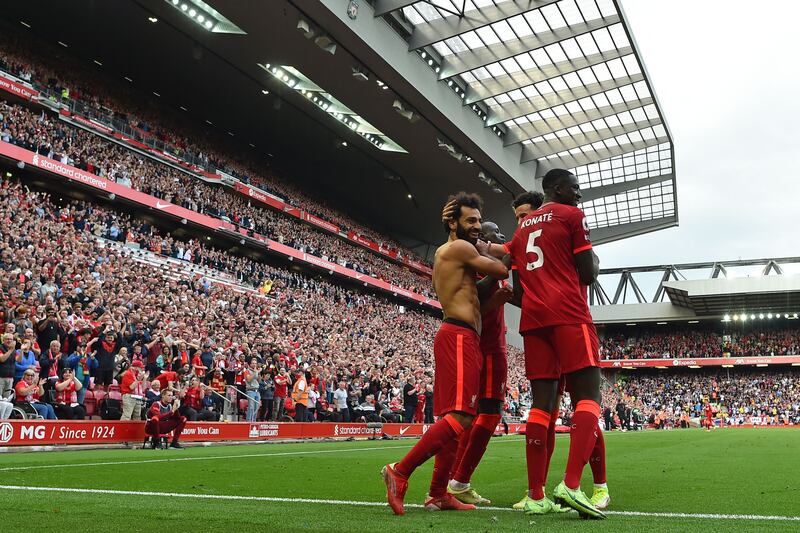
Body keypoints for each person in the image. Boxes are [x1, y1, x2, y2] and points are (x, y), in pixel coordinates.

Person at [382, 192, 508, 515]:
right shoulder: (462, 248)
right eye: (471, 220)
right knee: (462, 417)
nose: (477, 226)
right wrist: (501, 249)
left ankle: (438, 493)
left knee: (456, 418)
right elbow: (500, 270)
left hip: (461, 335)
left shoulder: (453, 254)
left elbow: (478, 297)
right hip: (458, 336)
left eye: (479, 220)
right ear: (452, 223)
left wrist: (499, 298)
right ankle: (400, 471)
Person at [497, 169, 606, 518]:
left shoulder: (521, 228)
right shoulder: (571, 215)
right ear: (557, 188)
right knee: (588, 398)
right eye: (575, 188)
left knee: (540, 408)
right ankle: (572, 485)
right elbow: (588, 273)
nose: (579, 194)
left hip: (534, 321)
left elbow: (516, 285)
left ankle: (535, 495)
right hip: (570, 315)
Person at [447, 219, 514, 505]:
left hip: (490, 346)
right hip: (487, 348)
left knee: (475, 417)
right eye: (494, 233)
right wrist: (497, 299)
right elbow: (474, 311)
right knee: (487, 414)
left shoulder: (484, 269)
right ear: (481, 240)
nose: (500, 236)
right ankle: (458, 480)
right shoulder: (476, 269)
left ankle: (454, 479)